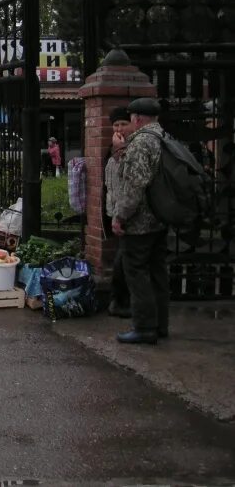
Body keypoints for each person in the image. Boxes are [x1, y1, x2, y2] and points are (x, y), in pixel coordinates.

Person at [111, 97, 168, 345]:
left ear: (137, 119)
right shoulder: (163, 137)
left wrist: (120, 216)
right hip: (160, 218)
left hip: (140, 222)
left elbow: (134, 185)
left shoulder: (141, 143)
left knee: (137, 273)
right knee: (157, 273)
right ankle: (160, 325)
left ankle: (144, 327)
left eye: (131, 118)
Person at [104, 107, 132, 318]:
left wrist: (121, 151)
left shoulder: (132, 149)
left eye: (123, 124)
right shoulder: (111, 149)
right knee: (122, 258)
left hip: (129, 213)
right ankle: (119, 300)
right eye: (116, 125)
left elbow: (130, 180)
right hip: (115, 212)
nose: (120, 128)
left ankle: (119, 300)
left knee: (124, 259)